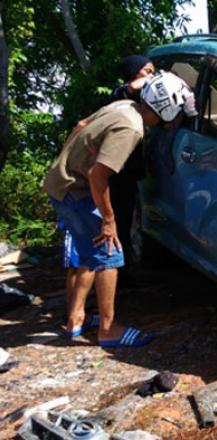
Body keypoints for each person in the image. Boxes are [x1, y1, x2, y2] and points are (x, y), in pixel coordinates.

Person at [43, 72, 194, 347]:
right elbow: (97, 176)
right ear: (168, 110)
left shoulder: (123, 106)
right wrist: (109, 220)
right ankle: (108, 329)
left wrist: (68, 160)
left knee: (88, 254)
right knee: (109, 253)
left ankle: (75, 320)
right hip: (75, 191)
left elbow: (80, 124)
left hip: (60, 183)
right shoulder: (132, 128)